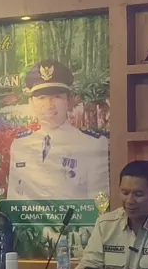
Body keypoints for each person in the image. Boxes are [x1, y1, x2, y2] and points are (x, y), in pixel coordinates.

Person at [6, 59, 109, 201]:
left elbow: (99, 203)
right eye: (41, 98)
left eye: (57, 97)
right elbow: (14, 200)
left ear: (69, 101)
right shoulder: (20, 145)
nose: (49, 105)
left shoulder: (92, 144)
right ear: (31, 103)